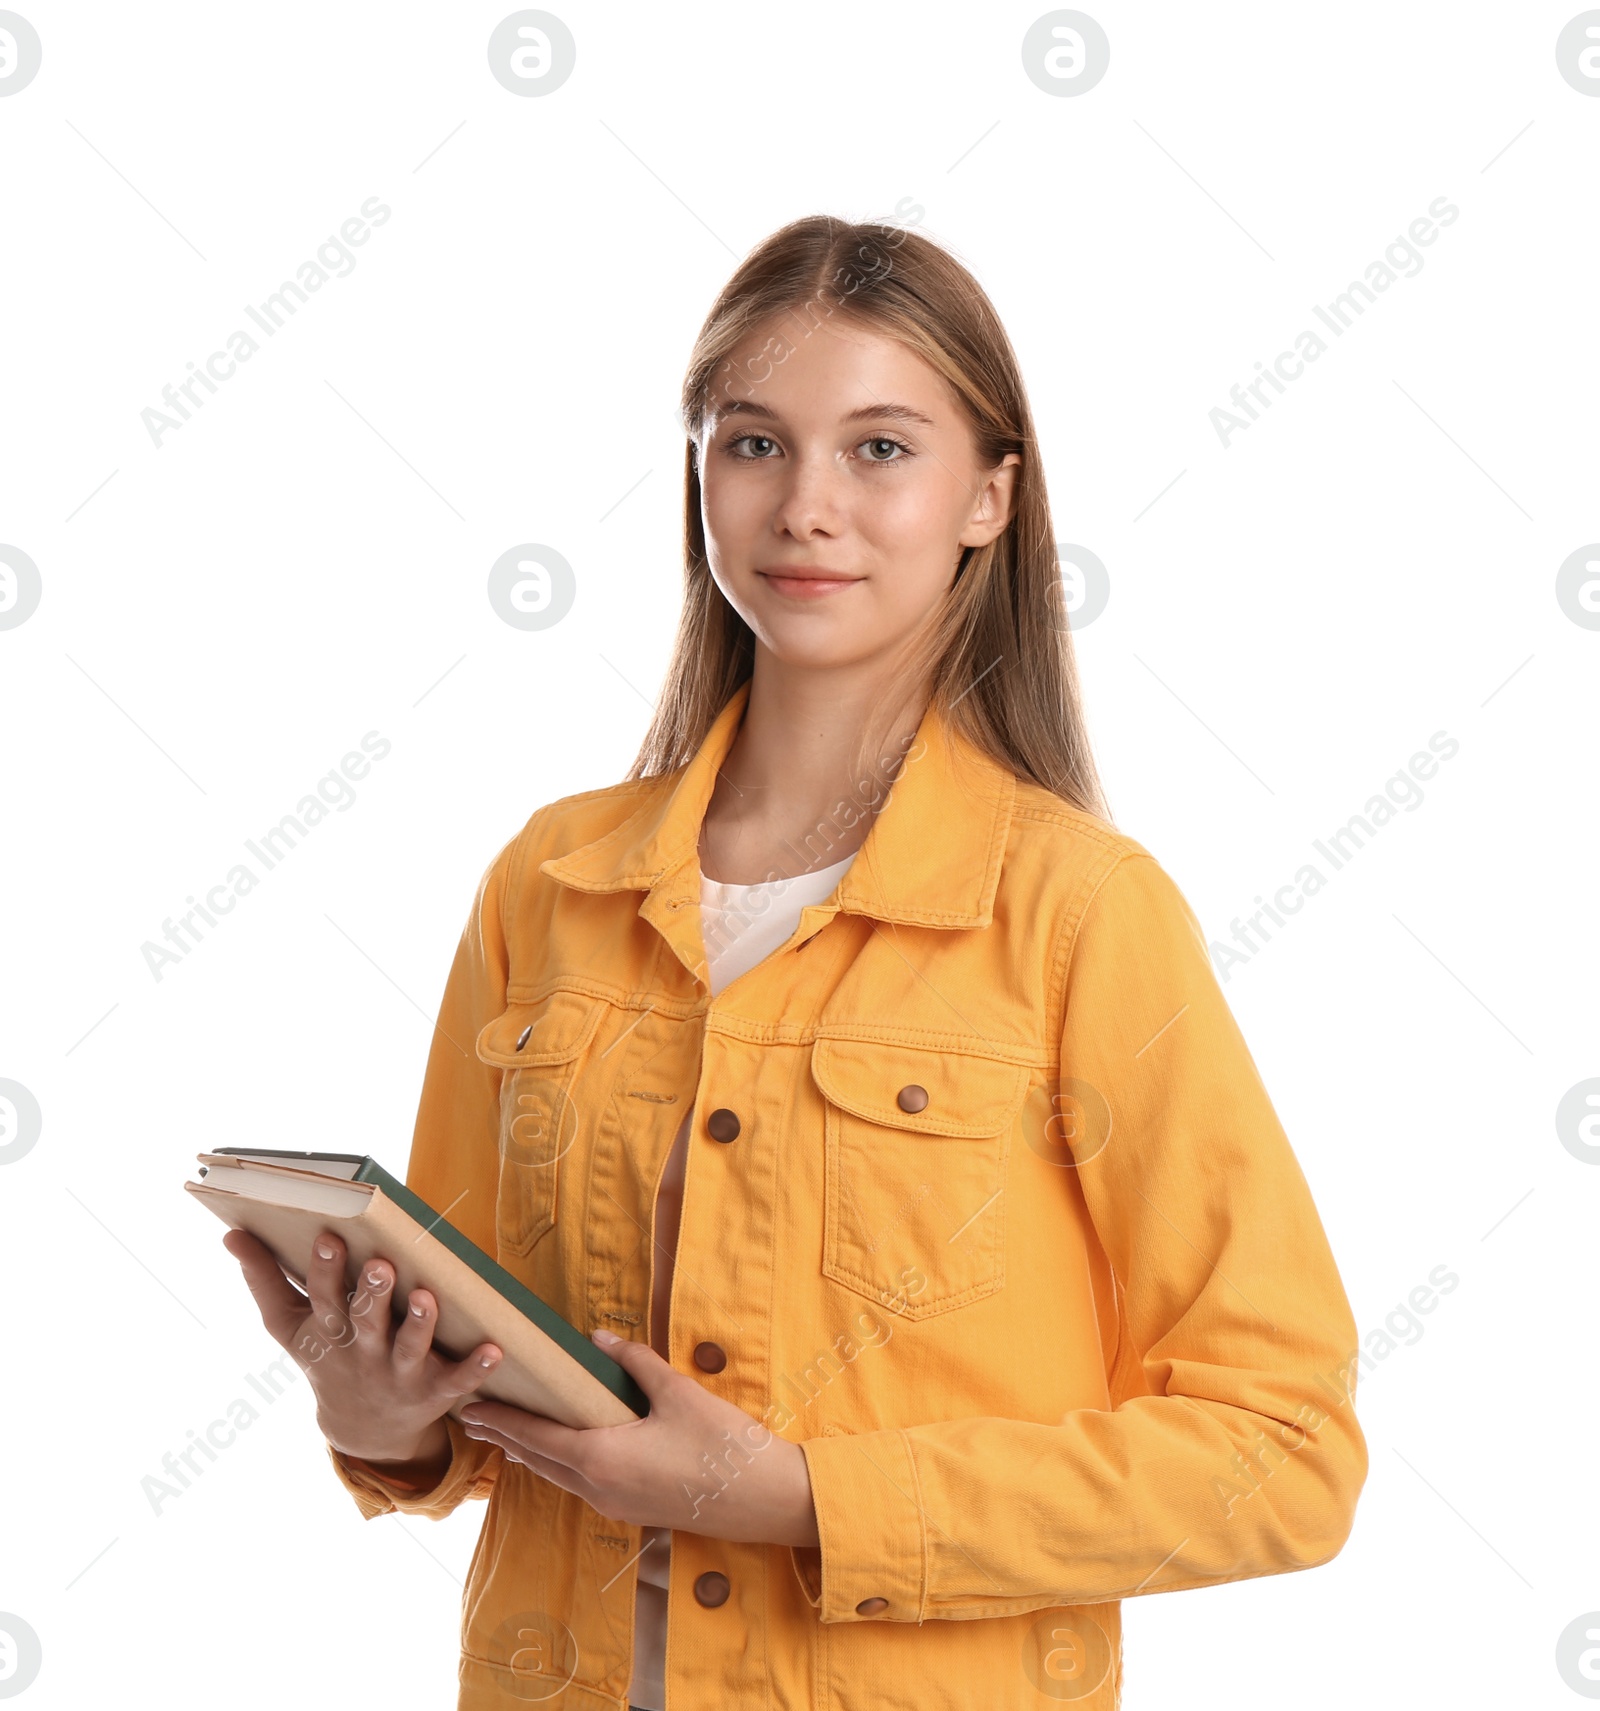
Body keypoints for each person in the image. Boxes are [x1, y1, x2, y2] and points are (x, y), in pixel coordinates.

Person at [224, 215, 1367, 1710]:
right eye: (754, 444)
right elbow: (473, 1373)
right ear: (699, 474)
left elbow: (1283, 1454)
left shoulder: (1082, 913)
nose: (806, 507)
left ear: (990, 498)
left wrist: (804, 1498)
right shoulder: (548, 884)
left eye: (881, 450)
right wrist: (377, 1414)